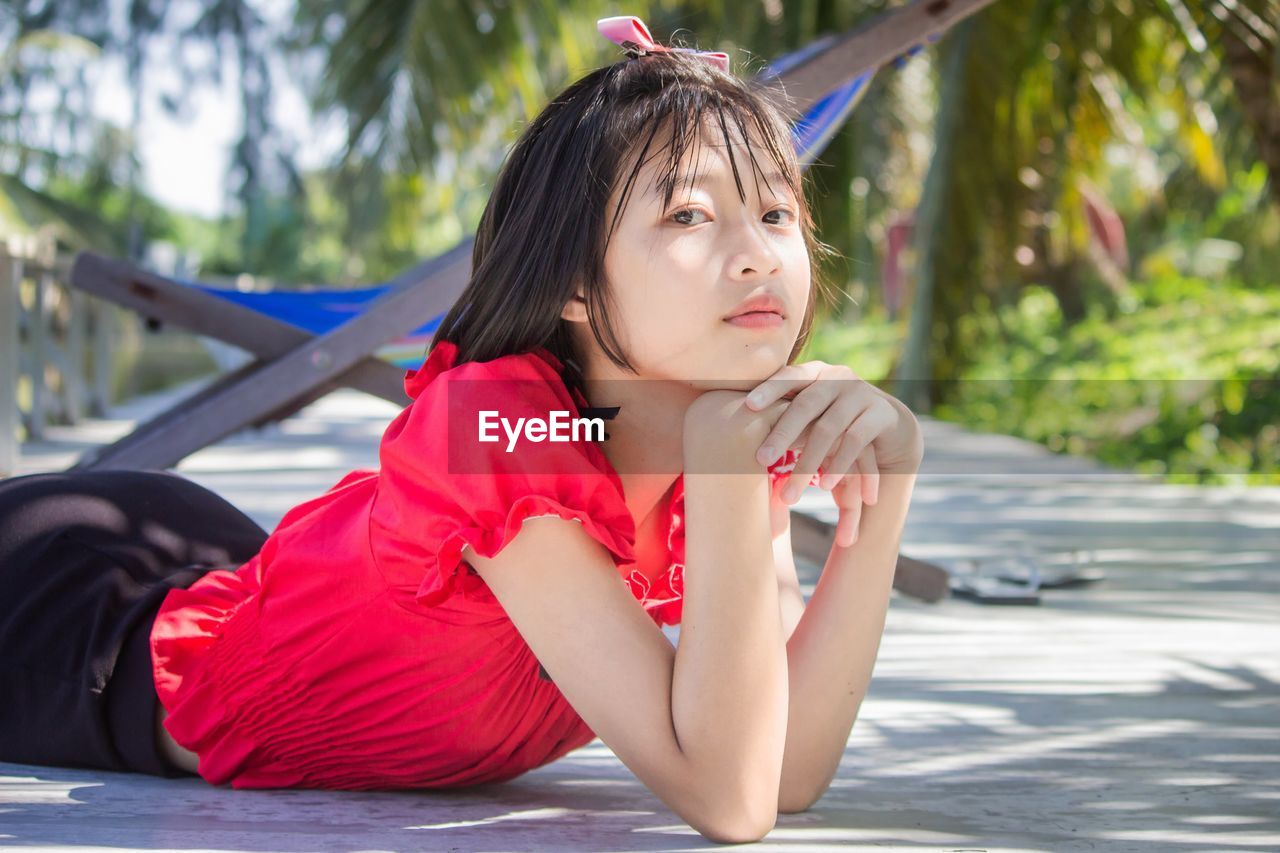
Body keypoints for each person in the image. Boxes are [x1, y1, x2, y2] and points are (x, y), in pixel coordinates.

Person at [0, 15, 922, 845]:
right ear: (568, 283)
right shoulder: (493, 435)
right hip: (77, 629)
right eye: (689, 213)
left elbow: (784, 770)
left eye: (774, 211)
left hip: (227, 569)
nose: (760, 249)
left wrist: (880, 503)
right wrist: (729, 472)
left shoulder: (734, 446)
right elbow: (730, 802)